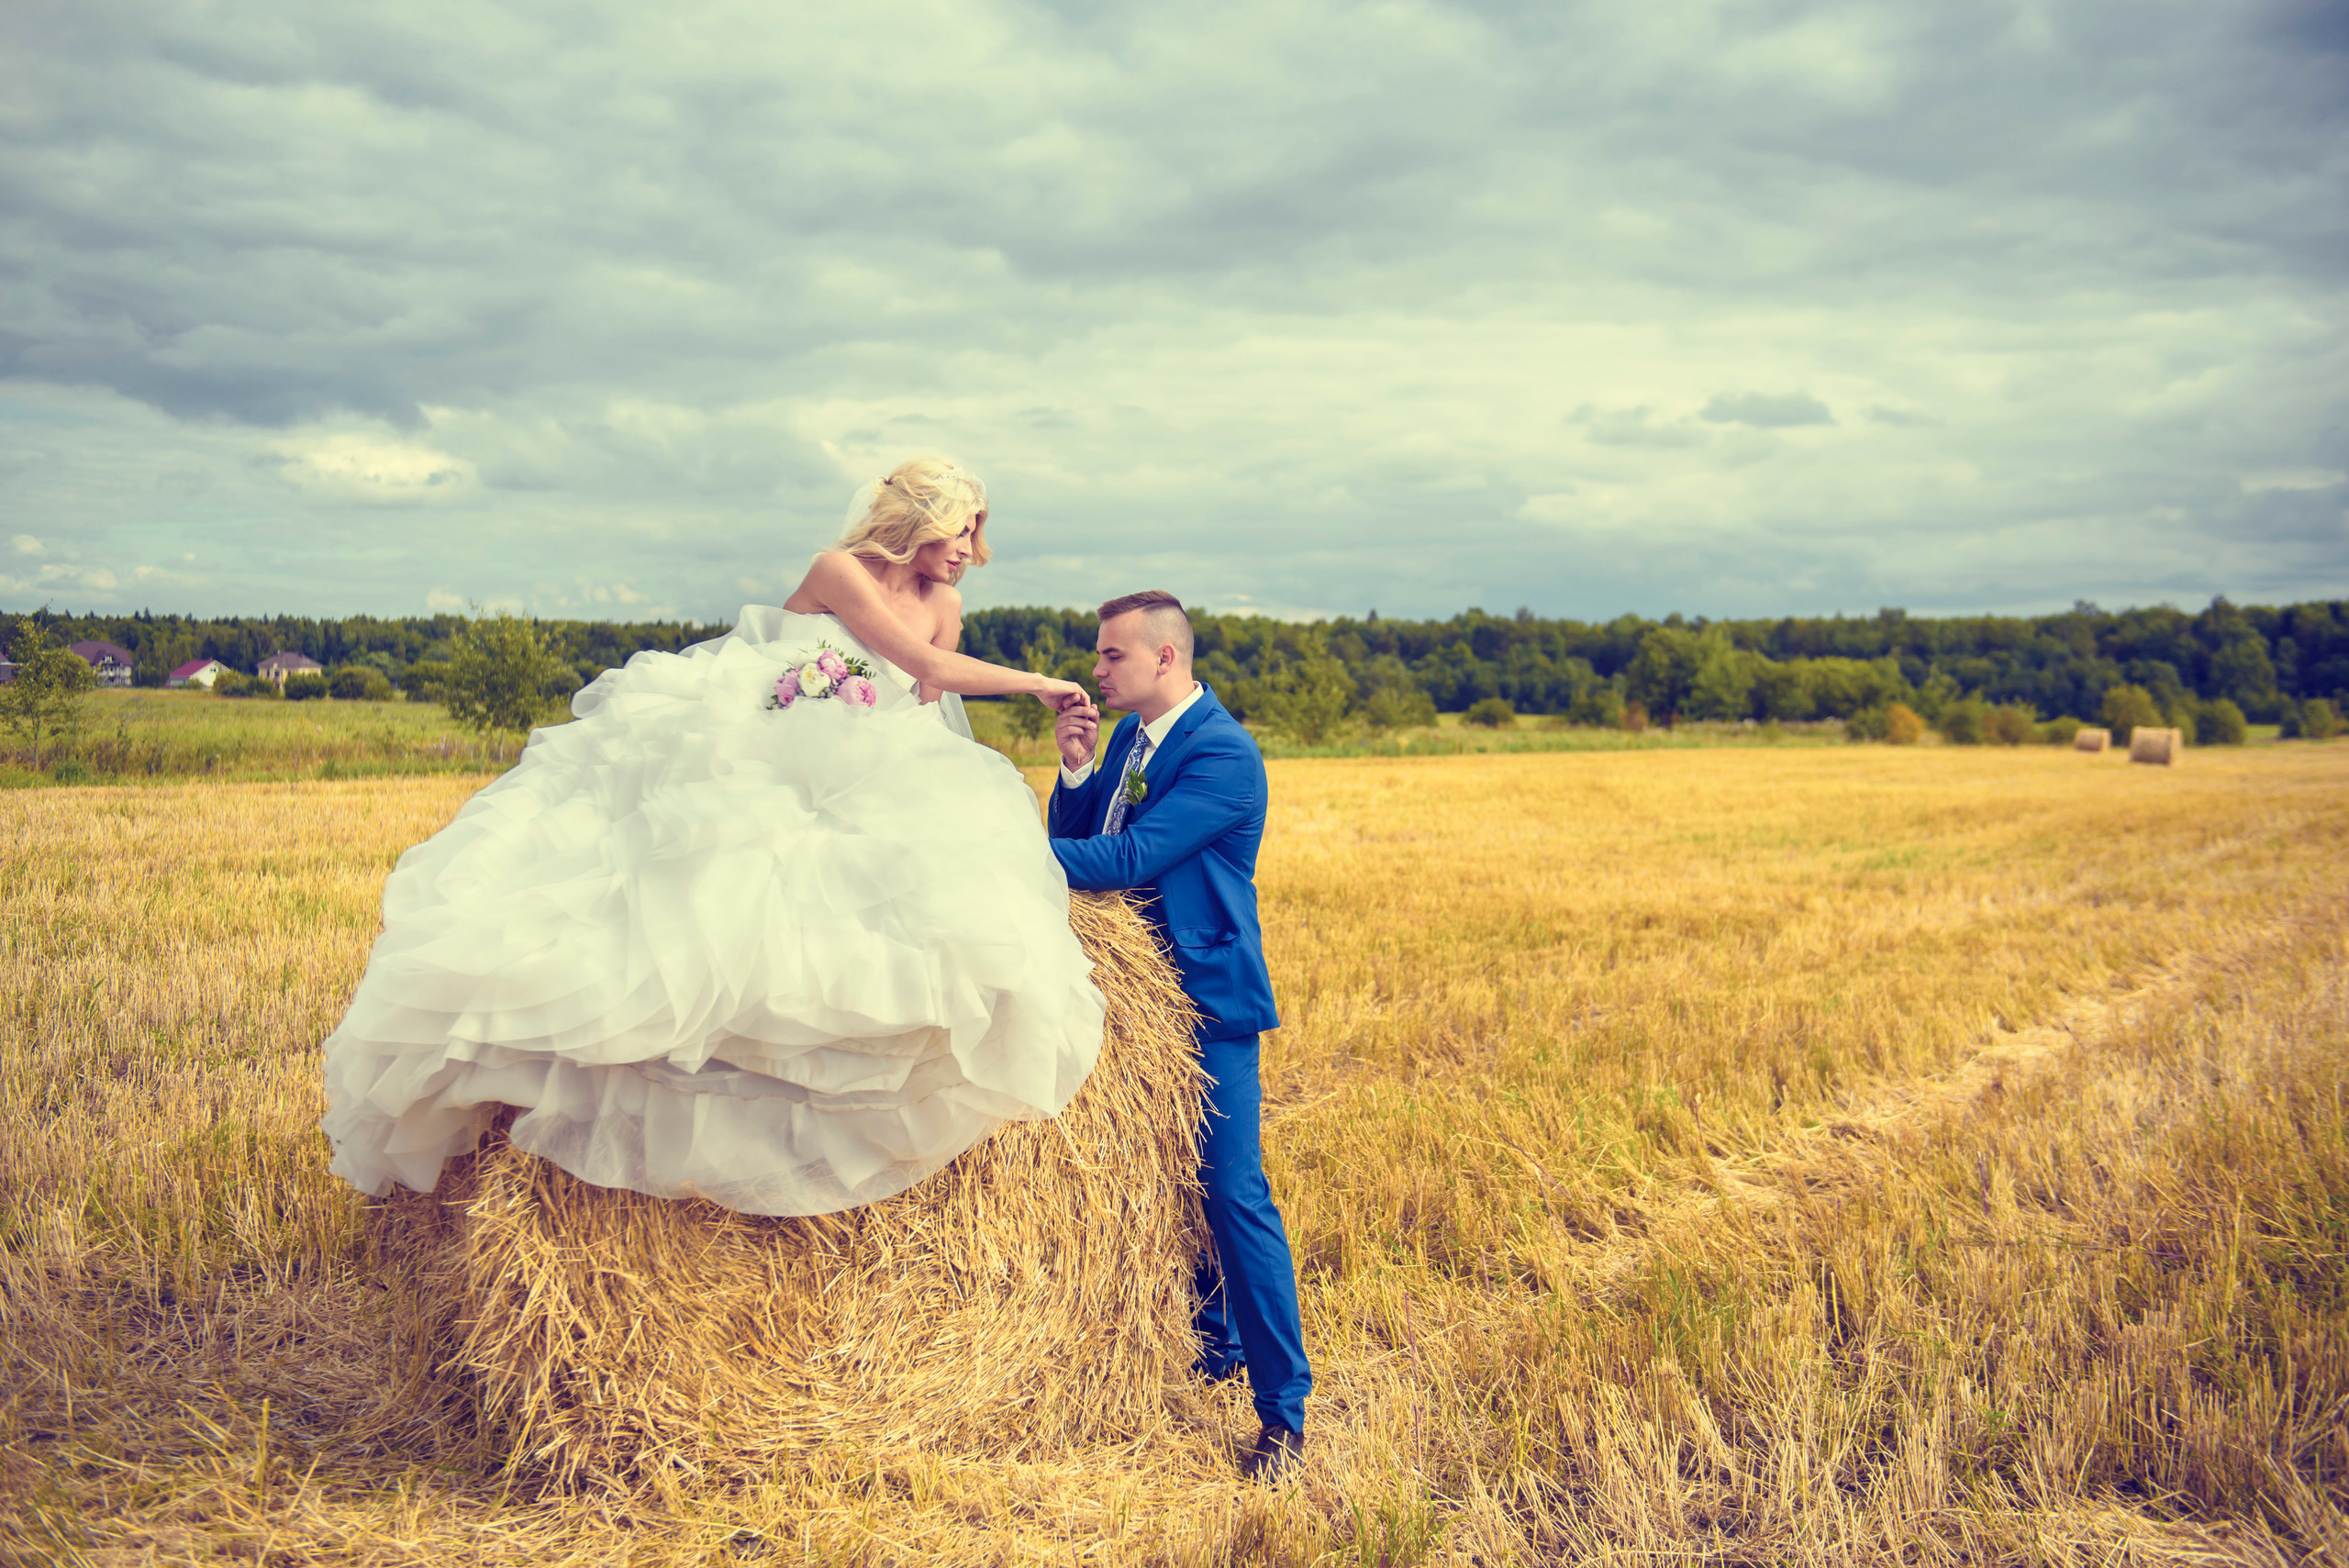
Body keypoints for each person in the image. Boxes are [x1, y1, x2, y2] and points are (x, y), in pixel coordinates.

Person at [320, 457, 1103, 1218]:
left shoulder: (945, 604)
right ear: (914, 521)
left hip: (865, 757)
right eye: (958, 529)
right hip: (767, 745)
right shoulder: (839, 570)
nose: (968, 549)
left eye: (974, 533)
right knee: (706, 897)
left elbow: (927, 694)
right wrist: (1038, 682)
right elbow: (915, 658)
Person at [1046, 591, 1312, 1483]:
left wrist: (985, 852)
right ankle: (1214, 1340)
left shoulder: (1224, 756)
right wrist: (1078, 771)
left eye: (1111, 654)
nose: (1096, 668)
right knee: (1168, 1180)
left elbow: (1126, 861)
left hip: (1206, 1003)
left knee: (1234, 1196)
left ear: (1165, 659)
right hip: (1134, 1000)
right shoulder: (1128, 741)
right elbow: (1080, 841)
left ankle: (1283, 1412)